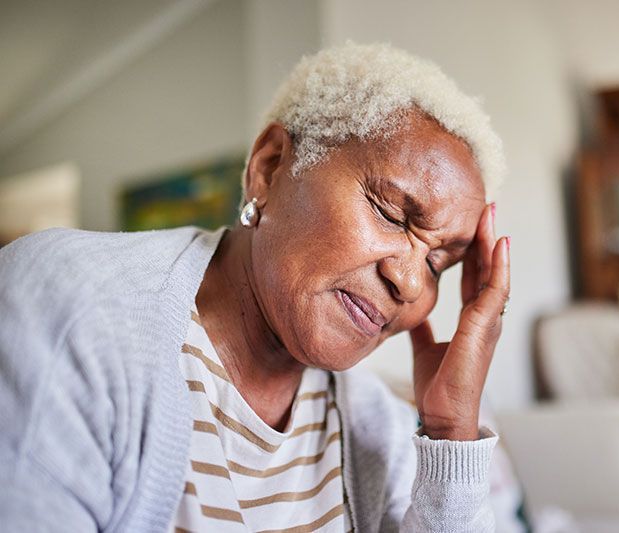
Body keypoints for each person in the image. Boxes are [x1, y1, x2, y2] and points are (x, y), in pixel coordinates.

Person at [0, 42, 510, 532]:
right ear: (269, 168)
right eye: (390, 213)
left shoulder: (376, 425)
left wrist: (449, 434)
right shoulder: (74, 303)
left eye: (440, 264)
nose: (409, 281)